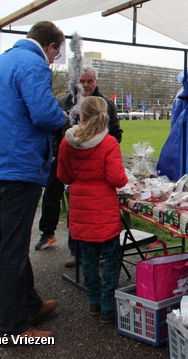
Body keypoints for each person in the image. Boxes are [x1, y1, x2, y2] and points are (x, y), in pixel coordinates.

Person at [0, 21, 67, 342]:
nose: (54, 61)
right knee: (13, 247)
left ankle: (30, 303)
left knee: (11, 238)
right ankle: (13, 329)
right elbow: (42, 114)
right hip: (17, 167)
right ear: (50, 46)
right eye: (56, 54)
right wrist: (63, 116)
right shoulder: (34, 64)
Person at [35, 66, 123, 265]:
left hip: (96, 166)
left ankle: (92, 251)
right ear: (75, 81)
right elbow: (54, 131)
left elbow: (116, 131)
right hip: (65, 159)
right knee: (57, 197)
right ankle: (53, 236)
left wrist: (108, 152)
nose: (85, 85)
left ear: (96, 82)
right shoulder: (63, 102)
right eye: (82, 81)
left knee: (90, 207)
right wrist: (57, 154)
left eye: (89, 81)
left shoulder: (106, 103)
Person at [57, 96, 128, 324]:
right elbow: (117, 179)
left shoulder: (68, 141)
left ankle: (94, 302)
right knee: (111, 256)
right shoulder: (108, 143)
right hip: (103, 207)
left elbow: (63, 176)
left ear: (82, 115)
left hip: (80, 206)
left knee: (87, 257)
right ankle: (107, 303)